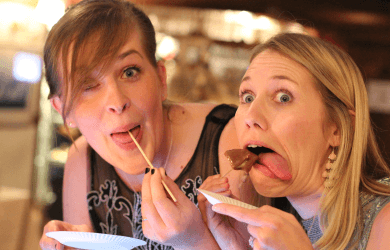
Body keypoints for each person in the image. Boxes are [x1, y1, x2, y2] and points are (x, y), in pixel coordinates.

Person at [38, 0, 262, 249]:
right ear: (62, 110)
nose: (118, 101)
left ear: (161, 79)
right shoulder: (82, 161)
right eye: (87, 85)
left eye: (130, 72)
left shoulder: (229, 141)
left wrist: (195, 241)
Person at [207, 33, 390, 249]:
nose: (251, 116)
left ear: (339, 128)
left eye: (283, 97)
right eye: (248, 97)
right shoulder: (276, 224)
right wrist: (221, 243)